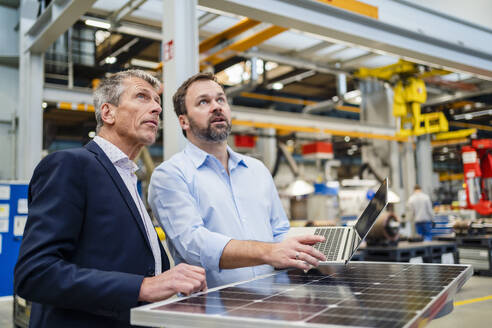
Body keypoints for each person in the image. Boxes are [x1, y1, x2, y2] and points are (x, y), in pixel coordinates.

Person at [14, 70, 207, 328]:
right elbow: (35, 274)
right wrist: (143, 286)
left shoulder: (128, 178)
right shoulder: (70, 165)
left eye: (157, 103)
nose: (156, 109)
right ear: (108, 113)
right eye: (142, 97)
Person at [148, 72, 326, 289]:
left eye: (220, 99)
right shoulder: (170, 175)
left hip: (270, 302)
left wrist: (312, 247)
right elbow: (193, 244)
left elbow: (279, 231)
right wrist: (269, 252)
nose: (216, 107)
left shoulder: (257, 170)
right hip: (211, 309)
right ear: (183, 121)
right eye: (203, 102)